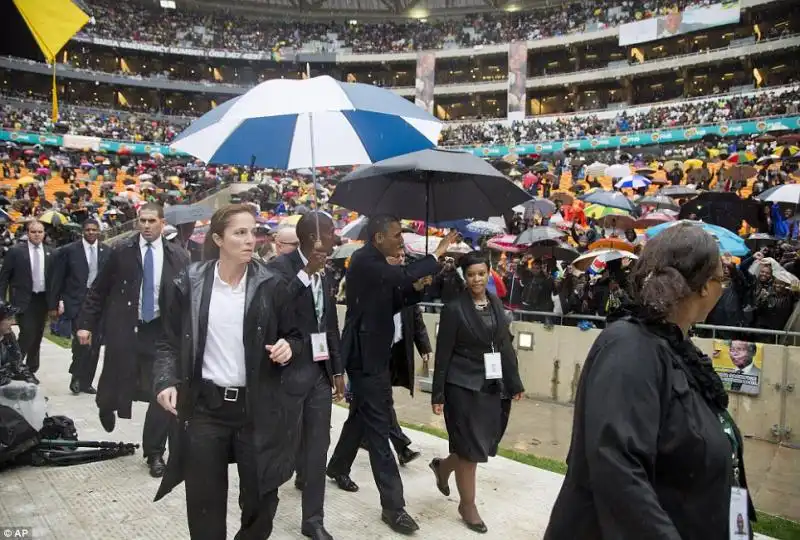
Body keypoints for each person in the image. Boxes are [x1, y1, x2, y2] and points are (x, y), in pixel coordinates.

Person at [544, 223, 756, 539]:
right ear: (701, 287)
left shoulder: (675, 346)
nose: (723, 288)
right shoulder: (630, 347)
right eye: (720, 278)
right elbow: (617, 470)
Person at [152, 204, 303, 540]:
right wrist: (166, 381)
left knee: (261, 502)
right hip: (207, 408)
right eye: (240, 232)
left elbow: (297, 336)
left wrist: (289, 347)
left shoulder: (274, 285)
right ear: (218, 238)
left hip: (258, 408)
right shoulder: (189, 283)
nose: (251, 239)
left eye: (253, 232)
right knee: (204, 501)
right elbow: (167, 342)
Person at [326, 214, 457, 535]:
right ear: (378, 237)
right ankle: (394, 508)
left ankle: (337, 466)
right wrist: (436, 253)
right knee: (379, 431)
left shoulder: (377, 263)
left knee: (362, 417)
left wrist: (418, 289)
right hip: (364, 359)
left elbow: (396, 297)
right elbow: (400, 276)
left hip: (376, 355)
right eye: (397, 234)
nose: (401, 239)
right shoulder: (364, 260)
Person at [77, 202, 190, 478]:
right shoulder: (121, 251)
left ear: (163, 223)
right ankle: (105, 404)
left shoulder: (178, 255)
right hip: (126, 328)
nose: (147, 225)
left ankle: (154, 452)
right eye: (143, 220)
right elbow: (98, 290)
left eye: (152, 220)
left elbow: (187, 298)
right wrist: (86, 325)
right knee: (115, 378)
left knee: (163, 392)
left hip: (161, 334)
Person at [428, 251, 524, 534]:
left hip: (490, 384)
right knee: (470, 450)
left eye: (481, 273)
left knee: (478, 445)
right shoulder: (454, 308)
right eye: (471, 275)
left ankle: (443, 468)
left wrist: (515, 382)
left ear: (489, 273)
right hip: (460, 385)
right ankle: (467, 506)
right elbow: (443, 355)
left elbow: (504, 345)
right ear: (464, 277)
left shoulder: (495, 303)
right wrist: (438, 395)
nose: (477, 279)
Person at [266, 212, 344, 540]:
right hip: (287, 373)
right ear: (311, 236)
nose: (334, 237)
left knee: (318, 445)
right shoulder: (278, 268)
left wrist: (338, 369)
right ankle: (261, 505)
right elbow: (275, 305)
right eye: (329, 232)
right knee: (280, 446)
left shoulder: (324, 272)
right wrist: (304, 274)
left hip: (320, 374)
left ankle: (313, 520)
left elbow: (329, 324)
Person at [47, 219, 109, 395]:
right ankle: (76, 375)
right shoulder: (69, 251)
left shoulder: (107, 251)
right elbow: (57, 279)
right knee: (81, 342)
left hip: (98, 303)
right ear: (83, 231)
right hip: (75, 302)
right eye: (88, 229)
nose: (91, 233)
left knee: (95, 345)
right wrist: (53, 304)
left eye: (94, 230)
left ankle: (86, 382)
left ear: (99, 231)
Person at [0, 220, 53, 374]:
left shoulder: (51, 252)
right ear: (27, 233)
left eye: (40, 232)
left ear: (44, 234)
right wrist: (2, 301)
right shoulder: (16, 252)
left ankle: (31, 369)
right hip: (24, 300)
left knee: (37, 336)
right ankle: (15, 363)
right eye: (33, 232)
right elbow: (4, 278)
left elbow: (56, 280)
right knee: (28, 332)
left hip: (42, 300)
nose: (37, 235)